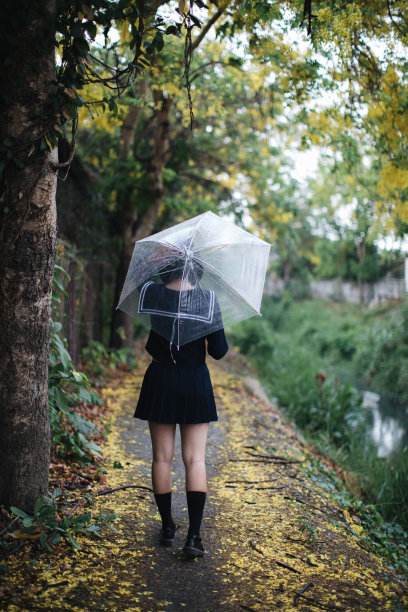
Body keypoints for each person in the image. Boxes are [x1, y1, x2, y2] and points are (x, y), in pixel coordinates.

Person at [134, 254, 228, 558]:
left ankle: (167, 527)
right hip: (194, 383)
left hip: (160, 378)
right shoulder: (208, 301)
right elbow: (219, 351)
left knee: (161, 458)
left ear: (165, 269)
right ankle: (194, 537)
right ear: (198, 269)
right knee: (195, 459)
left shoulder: (152, 293)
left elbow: (140, 277)